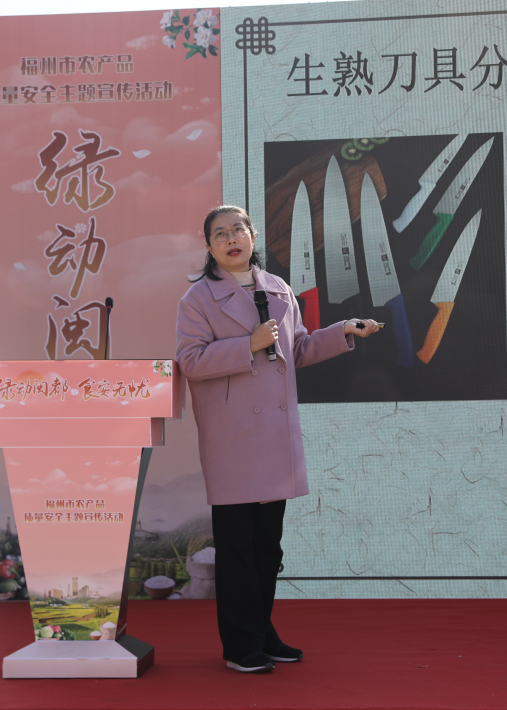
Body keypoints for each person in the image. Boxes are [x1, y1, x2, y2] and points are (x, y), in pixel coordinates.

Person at [176, 205, 379, 674]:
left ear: (252, 237)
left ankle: (262, 633)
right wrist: (247, 344)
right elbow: (190, 361)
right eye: (220, 234)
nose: (231, 239)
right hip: (232, 440)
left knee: (268, 547)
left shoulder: (279, 289)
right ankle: (239, 646)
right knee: (237, 549)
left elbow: (298, 348)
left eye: (238, 230)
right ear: (209, 246)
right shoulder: (198, 298)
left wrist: (343, 331)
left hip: (274, 437)